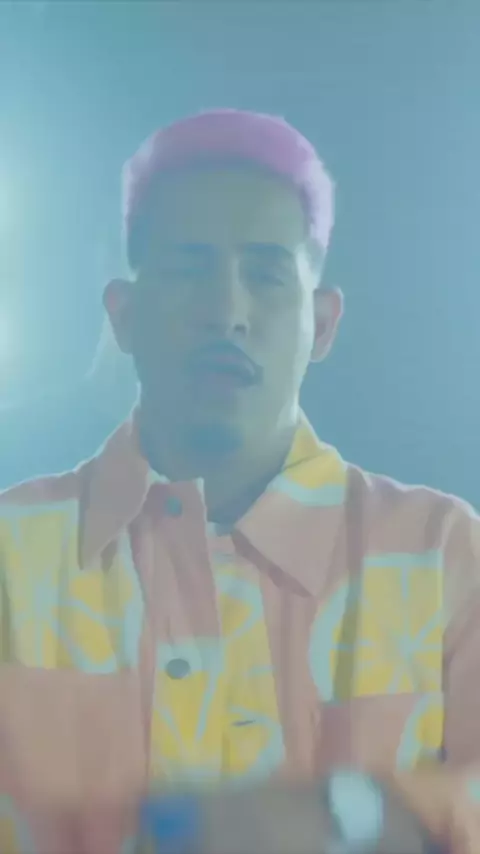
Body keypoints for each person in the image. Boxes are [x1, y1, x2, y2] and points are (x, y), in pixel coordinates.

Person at [1, 108, 480, 854]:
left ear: (323, 324)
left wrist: (347, 811)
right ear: (123, 315)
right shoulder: (12, 557)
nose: (226, 313)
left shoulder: (442, 554)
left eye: (265, 274)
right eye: (188, 269)